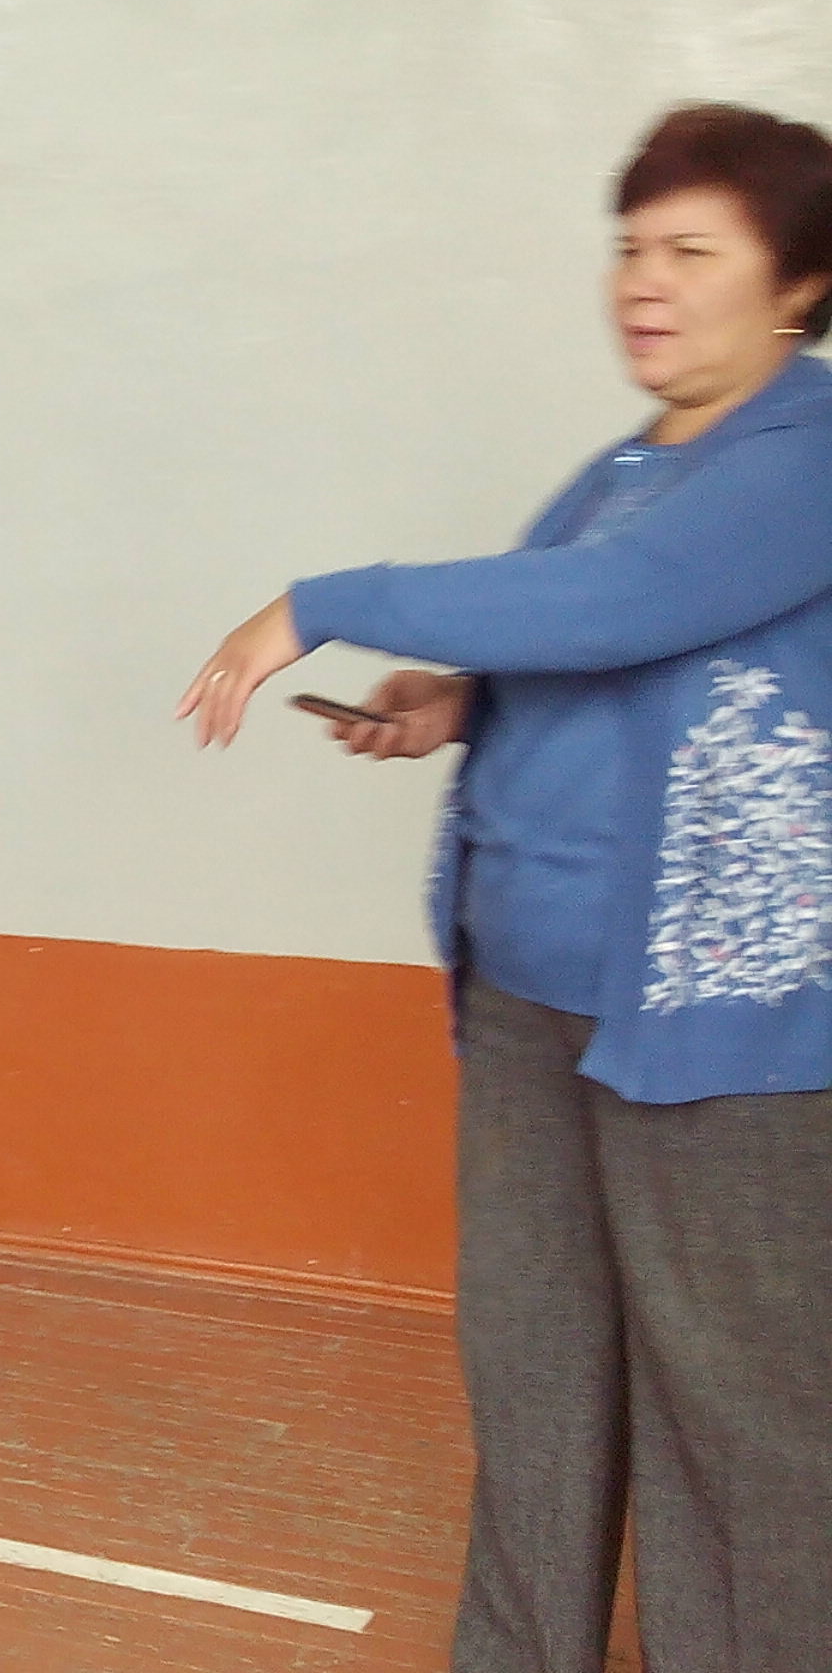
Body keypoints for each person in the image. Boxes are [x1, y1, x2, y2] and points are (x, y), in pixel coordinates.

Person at [179, 104, 832, 1671]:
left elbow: (626, 605)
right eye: (630, 247)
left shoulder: (808, 455)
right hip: (537, 997)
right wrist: (461, 699)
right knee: (537, 1372)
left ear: (799, 284)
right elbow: (593, 639)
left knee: (731, 1410)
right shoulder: (630, 466)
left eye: (692, 250)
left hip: (713, 1026)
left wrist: (322, 604)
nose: (644, 281)